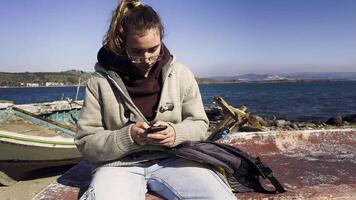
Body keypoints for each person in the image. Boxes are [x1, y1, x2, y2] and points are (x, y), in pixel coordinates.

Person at [75, 0, 236, 199]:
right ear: (121, 43)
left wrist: (175, 133)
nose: (147, 59)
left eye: (153, 49)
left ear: (161, 38)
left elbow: (200, 124)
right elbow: (86, 142)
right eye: (136, 51)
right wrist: (129, 137)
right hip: (117, 165)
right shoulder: (98, 82)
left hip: (176, 157)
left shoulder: (181, 74)